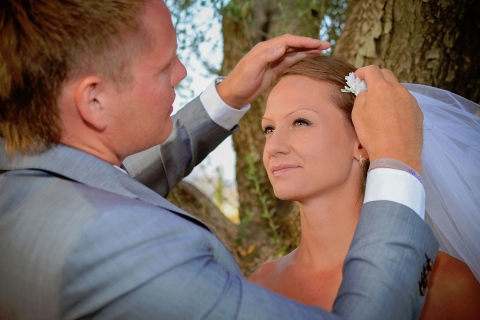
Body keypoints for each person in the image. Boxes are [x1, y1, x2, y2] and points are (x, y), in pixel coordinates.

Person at [0, 0, 438, 319]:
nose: (183, 73)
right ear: (93, 100)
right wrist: (397, 163)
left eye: (301, 122)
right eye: (163, 66)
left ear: (357, 140)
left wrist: (229, 96)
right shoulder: (122, 248)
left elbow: (110, 182)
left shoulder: (25, 184)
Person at [249, 55, 480, 319]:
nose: (273, 147)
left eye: (301, 122)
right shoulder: (258, 285)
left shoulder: (446, 286)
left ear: (361, 141)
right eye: (268, 128)